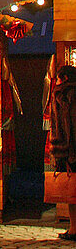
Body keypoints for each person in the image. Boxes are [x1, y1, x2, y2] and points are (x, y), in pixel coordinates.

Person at [47, 63, 76, 240]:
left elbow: (65, 126)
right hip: (70, 148)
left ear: (63, 78)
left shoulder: (62, 94)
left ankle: (74, 228)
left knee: (72, 191)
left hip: (68, 150)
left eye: (57, 78)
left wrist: (62, 149)